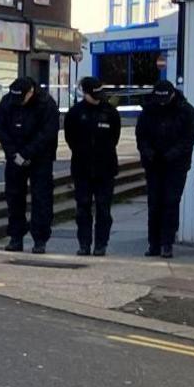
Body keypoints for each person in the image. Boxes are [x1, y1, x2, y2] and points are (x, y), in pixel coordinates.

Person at [135, 79, 194, 258]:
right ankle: (154, 243)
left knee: (171, 202)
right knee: (154, 203)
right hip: (153, 163)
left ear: (172, 95)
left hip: (176, 165)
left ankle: (167, 243)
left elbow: (189, 138)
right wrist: (148, 152)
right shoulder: (149, 110)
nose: (162, 104)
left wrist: (171, 154)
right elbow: (141, 136)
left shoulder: (186, 111)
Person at [0, 76, 58, 253]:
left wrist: (27, 153)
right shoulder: (8, 101)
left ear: (31, 92)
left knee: (41, 199)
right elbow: (0, 128)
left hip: (40, 158)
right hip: (14, 156)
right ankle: (16, 237)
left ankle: (40, 239)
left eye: (22, 98)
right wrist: (13, 153)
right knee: (14, 197)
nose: (19, 102)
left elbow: (47, 133)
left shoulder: (46, 104)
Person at [63, 76, 122, 256]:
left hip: (105, 168)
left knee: (104, 208)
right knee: (83, 207)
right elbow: (70, 138)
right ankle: (84, 244)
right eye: (94, 94)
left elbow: (114, 138)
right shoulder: (75, 113)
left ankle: (101, 244)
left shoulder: (110, 112)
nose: (98, 97)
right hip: (82, 168)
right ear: (85, 93)